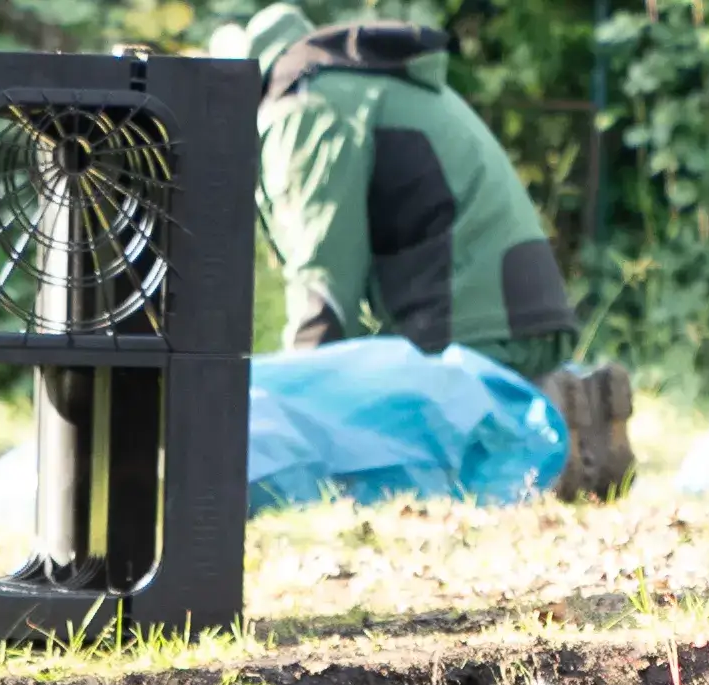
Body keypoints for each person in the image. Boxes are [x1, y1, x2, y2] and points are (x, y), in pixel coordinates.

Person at [217, 5, 633, 498]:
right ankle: (551, 405)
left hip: (472, 324)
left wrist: (296, 405)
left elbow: (324, 282)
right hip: (517, 315)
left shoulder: (304, 106)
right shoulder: (353, 81)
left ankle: (535, 435)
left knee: (355, 441)